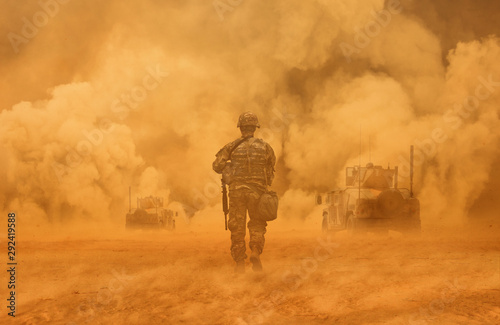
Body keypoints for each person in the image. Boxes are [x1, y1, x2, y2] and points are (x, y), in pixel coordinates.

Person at [213, 112, 276, 273]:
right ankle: (255, 251)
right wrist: (264, 184)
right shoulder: (265, 147)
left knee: (237, 228)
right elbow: (270, 168)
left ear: (240, 128)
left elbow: (216, 166)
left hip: (237, 192)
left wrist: (228, 167)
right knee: (257, 224)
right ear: (255, 127)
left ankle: (240, 263)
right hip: (257, 192)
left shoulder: (231, 146)